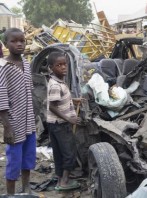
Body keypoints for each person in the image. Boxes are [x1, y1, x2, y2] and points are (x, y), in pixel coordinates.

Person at [0, 28, 36, 195]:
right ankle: (11, 194)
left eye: (22, 40)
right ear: (6, 44)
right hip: (14, 123)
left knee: (28, 158)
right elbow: (1, 97)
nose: (19, 44)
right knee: (14, 161)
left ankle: (27, 188)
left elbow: (30, 91)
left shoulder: (27, 65)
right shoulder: (3, 67)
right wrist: (7, 127)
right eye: (14, 41)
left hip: (29, 121)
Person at [47, 51, 81, 191]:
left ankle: (59, 178)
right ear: (51, 67)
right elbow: (52, 106)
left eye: (64, 64)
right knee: (69, 152)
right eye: (58, 65)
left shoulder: (57, 81)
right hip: (60, 125)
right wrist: (69, 119)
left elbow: (59, 100)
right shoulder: (56, 85)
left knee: (59, 152)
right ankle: (64, 182)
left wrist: (74, 100)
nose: (63, 67)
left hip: (54, 124)